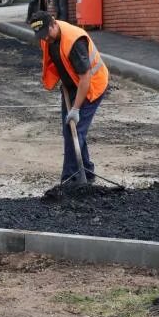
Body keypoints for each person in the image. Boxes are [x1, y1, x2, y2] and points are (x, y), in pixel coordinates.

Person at [30, 10, 109, 188]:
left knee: (75, 130)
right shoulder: (47, 38)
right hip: (72, 84)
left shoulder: (74, 41)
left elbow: (86, 77)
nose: (45, 39)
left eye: (47, 34)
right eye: (41, 36)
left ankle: (70, 180)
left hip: (91, 86)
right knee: (71, 130)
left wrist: (75, 109)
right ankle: (87, 172)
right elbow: (58, 61)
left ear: (54, 24)